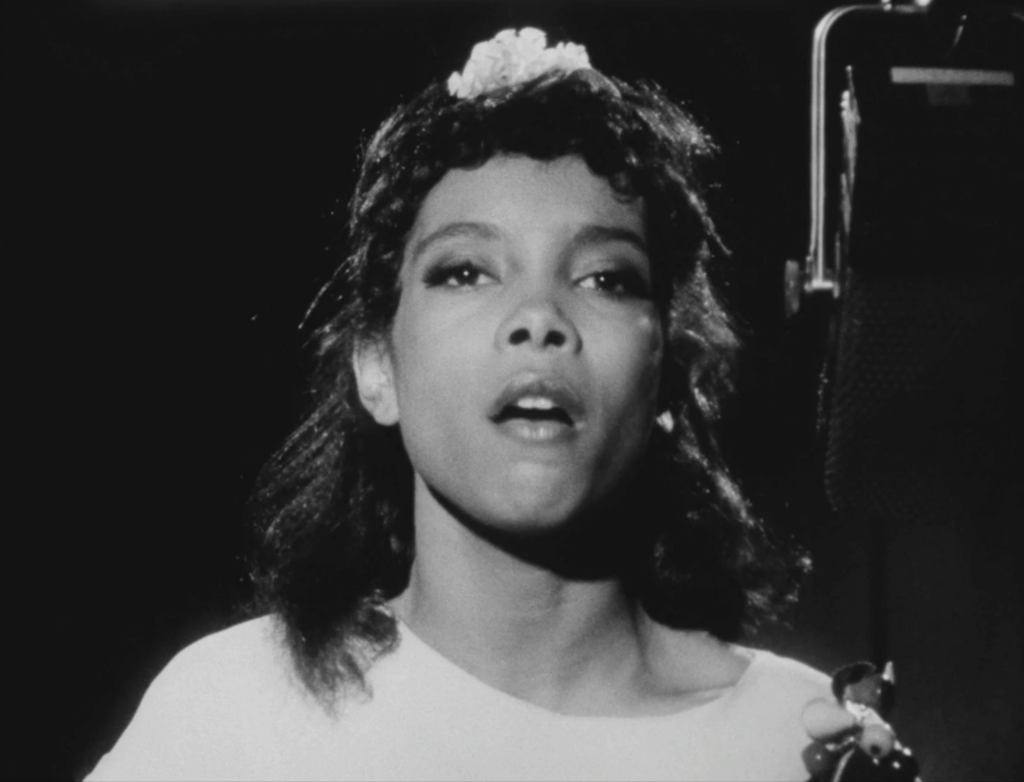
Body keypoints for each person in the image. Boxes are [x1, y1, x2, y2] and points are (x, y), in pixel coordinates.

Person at [86, 27, 839, 781]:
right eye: (467, 271)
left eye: (606, 278)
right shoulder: (234, 713)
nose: (537, 317)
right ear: (377, 364)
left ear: (673, 374)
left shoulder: (795, 741)